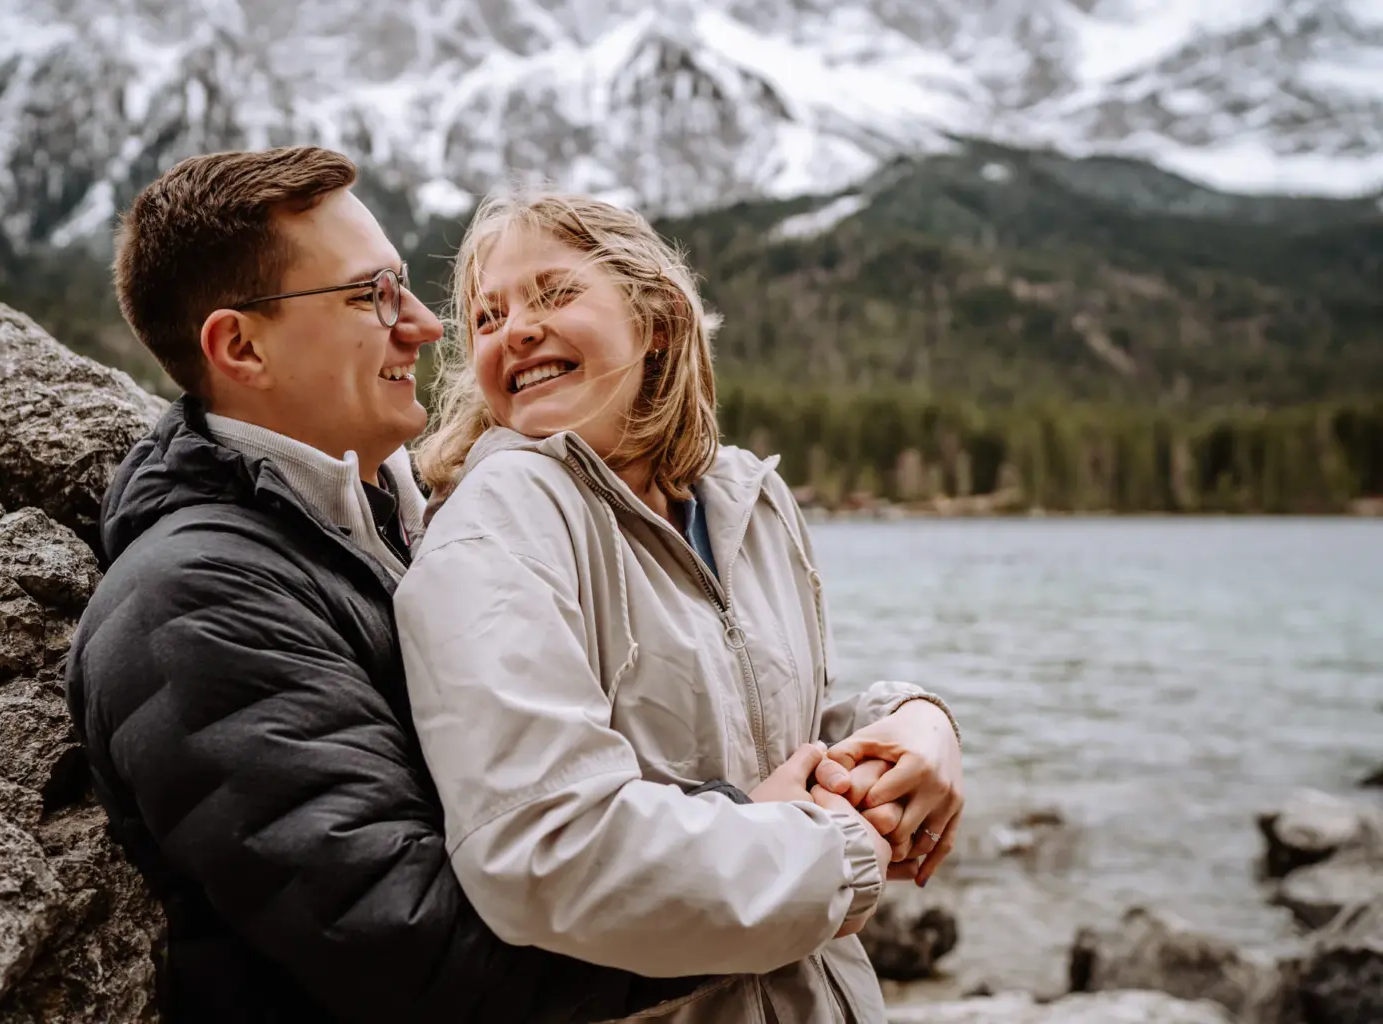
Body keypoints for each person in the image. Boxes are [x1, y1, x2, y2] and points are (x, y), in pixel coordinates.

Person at [64, 147, 837, 1024]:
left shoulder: (399, 519)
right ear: (241, 347)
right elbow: (407, 942)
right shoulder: (190, 603)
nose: (431, 328)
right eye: (372, 295)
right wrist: (775, 842)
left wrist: (906, 723)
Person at [397, 190, 966, 1023]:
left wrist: (913, 726)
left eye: (554, 295)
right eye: (487, 316)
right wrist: (851, 848)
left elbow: (775, 734)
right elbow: (542, 848)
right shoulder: (498, 519)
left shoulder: (746, 498)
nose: (514, 329)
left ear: (656, 318)